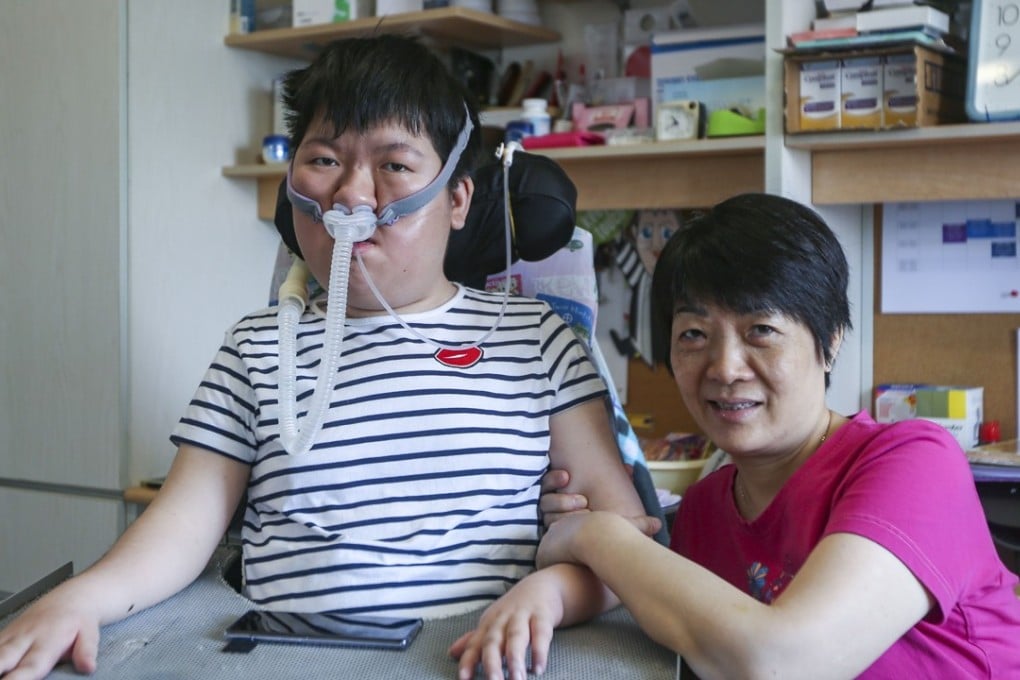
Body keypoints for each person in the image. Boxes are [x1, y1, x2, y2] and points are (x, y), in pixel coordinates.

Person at [0, 35, 654, 679]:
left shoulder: (534, 339)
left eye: (394, 165)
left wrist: (550, 595)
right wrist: (80, 599)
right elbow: (181, 529)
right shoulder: (257, 347)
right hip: (287, 657)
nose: (351, 195)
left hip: (473, 656)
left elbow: (625, 541)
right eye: (324, 159)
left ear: (457, 200)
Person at [465, 193, 1020, 678]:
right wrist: (551, 588)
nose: (725, 367)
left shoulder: (914, 462)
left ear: (830, 340)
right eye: (693, 334)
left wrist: (595, 535)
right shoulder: (706, 510)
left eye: (761, 330)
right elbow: (658, 599)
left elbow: (786, 664)